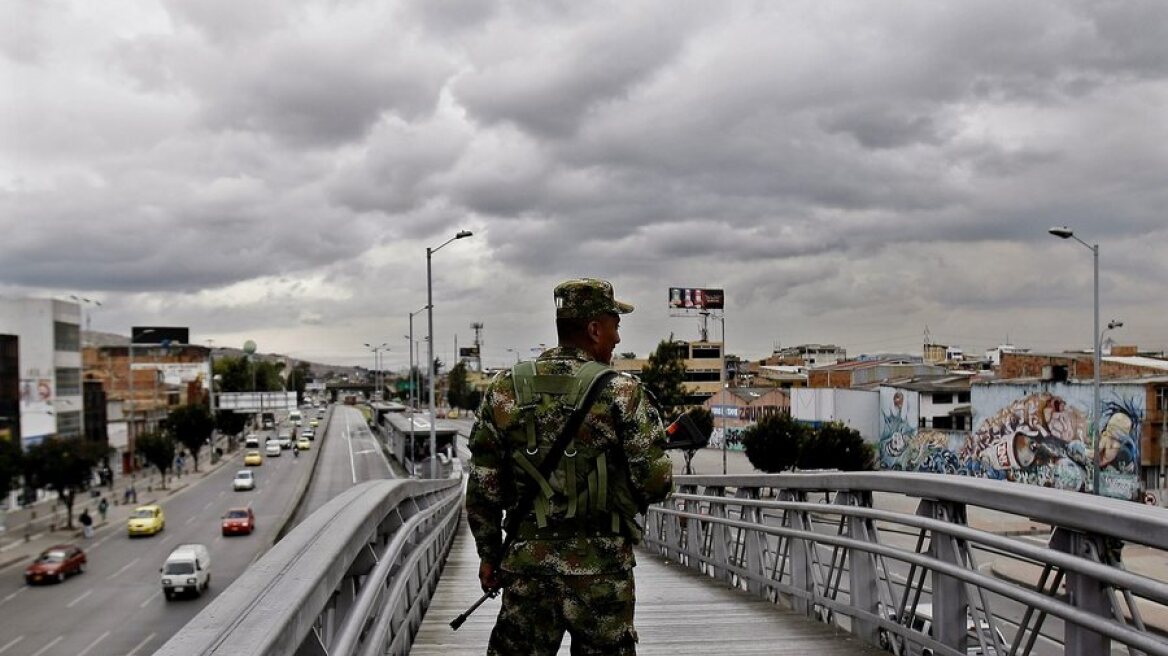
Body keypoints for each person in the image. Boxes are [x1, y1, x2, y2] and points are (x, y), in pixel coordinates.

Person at [466, 278, 674, 655]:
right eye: (615, 326)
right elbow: (656, 482)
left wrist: (488, 554)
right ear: (594, 329)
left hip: (527, 569)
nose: (617, 338)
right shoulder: (622, 393)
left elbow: (483, 487)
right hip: (603, 573)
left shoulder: (503, 390)